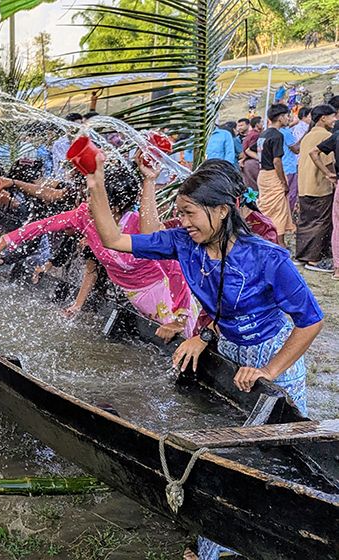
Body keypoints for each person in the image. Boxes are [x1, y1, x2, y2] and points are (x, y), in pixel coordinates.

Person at [85, 155, 324, 560]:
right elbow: (113, 239)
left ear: (221, 210)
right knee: (228, 456)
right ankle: (216, 541)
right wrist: (96, 183)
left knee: (275, 455)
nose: (183, 222)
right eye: (179, 213)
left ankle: (276, 540)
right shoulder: (183, 243)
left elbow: (310, 322)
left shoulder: (267, 257)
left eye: (189, 213)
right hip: (230, 354)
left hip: (271, 357)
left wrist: (269, 369)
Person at [0, 157, 198, 340]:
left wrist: (180, 316)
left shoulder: (138, 225)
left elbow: (174, 268)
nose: (90, 203)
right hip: (136, 298)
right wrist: (4, 241)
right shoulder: (84, 216)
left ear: (117, 206)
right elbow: (43, 226)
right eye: (90, 196)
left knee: (183, 345)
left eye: (98, 199)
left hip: (169, 297)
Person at [297, 104, 337, 272]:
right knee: (321, 222)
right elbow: (330, 162)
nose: (335, 119)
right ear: (323, 118)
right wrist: (330, 175)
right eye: (332, 116)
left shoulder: (307, 136)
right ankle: (313, 260)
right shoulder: (326, 135)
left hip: (304, 184)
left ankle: (301, 255)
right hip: (320, 185)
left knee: (306, 221)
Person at [256, 104, 295, 243]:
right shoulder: (277, 135)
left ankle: (265, 239)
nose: (288, 118)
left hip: (262, 175)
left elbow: (252, 151)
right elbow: (277, 161)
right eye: (287, 116)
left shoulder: (264, 134)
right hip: (273, 175)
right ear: (280, 117)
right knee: (279, 213)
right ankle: (280, 244)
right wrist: (283, 183)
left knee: (266, 210)